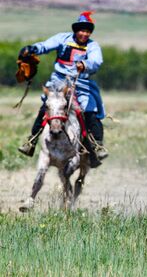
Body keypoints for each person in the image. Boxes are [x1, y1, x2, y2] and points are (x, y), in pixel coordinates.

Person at [18, 11, 108, 168]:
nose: (84, 34)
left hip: (81, 84)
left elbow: (96, 61)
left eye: (87, 31)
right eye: (82, 30)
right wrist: (32, 49)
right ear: (75, 30)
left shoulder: (93, 46)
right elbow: (46, 46)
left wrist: (85, 65)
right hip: (58, 82)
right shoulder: (62, 38)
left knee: (89, 110)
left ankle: (96, 146)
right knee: (48, 106)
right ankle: (31, 141)